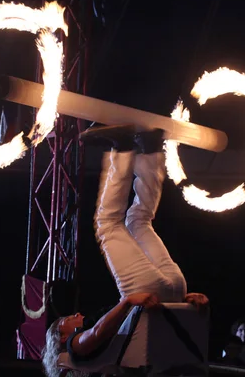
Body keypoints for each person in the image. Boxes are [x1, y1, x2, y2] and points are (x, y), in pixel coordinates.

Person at [42, 125, 209, 375]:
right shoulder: (75, 347)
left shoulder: (97, 355)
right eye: (66, 320)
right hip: (148, 292)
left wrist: (178, 301)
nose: (75, 314)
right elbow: (98, 332)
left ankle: (151, 150)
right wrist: (129, 300)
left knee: (138, 221)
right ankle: (120, 149)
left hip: (173, 290)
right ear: (61, 337)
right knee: (107, 223)